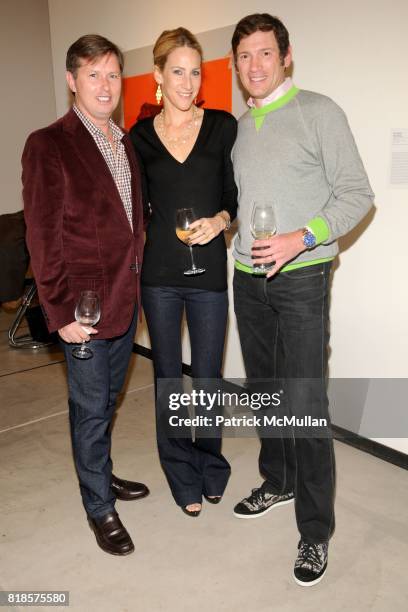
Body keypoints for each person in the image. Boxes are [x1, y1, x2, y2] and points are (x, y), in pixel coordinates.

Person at [230, 14, 374, 586]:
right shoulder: (241, 127)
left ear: (286, 57)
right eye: (244, 56)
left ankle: (315, 532)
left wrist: (302, 236)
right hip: (247, 277)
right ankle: (278, 480)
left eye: (265, 53)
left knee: (306, 402)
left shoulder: (318, 112)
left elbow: (357, 194)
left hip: (302, 278)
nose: (255, 66)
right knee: (265, 392)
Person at [22, 34, 149, 556]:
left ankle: (102, 473)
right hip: (85, 312)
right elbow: (42, 234)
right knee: (92, 408)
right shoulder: (48, 143)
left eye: (113, 74)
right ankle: (98, 505)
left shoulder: (124, 141)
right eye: (93, 74)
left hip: (125, 300)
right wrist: (59, 312)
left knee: (103, 403)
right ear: (72, 81)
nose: (105, 85)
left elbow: (129, 222)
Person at [130, 27, 237, 517]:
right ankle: (180, 470)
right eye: (177, 71)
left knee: (209, 378)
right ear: (158, 75)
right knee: (170, 379)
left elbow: (232, 196)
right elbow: (131, 207)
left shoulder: (222, 126)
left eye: (196, 72)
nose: (188, 82)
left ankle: (211, 464)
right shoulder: (140, 138)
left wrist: (220, 220)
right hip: (161, 276)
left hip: (210, 271)